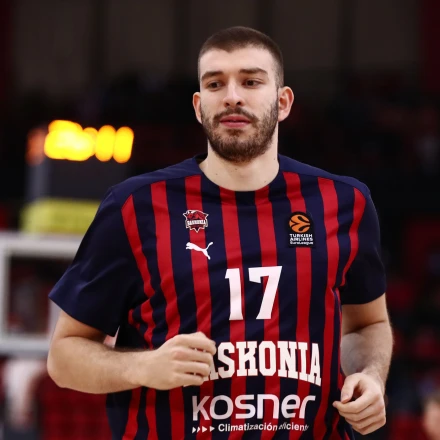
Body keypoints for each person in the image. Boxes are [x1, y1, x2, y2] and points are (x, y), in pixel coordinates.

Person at [47, 26, 393, 439]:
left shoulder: (344, 202)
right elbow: (63, 357)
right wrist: (142, 366)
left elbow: (366, 324)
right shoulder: (135, 207)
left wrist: (370, 376)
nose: (232, 96)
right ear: (198, 106)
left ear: (283, 102)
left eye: (251, 81)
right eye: (215, 84)